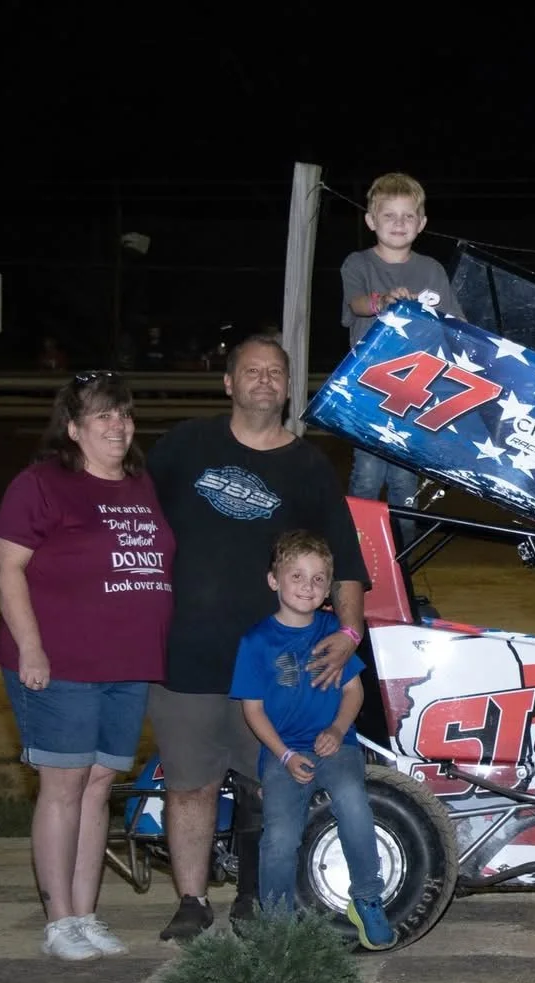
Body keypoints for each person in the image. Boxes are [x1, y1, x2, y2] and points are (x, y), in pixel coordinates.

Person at [147, 335, 371, 940]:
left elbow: (347, 562)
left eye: (276, 372)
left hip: (280, 666)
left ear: (289, 387)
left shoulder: (308, 466)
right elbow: (126, 512)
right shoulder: (184, 446)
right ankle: (192, 901)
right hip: (187, 655)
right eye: (252, 371)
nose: (264, 380)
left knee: (265, 784)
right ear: (228, 383)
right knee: (190, 785)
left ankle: (255, 895)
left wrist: (349, 633)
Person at [0, 373, 175, 960]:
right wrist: (32, 649)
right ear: (73, 427)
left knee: (98, 788)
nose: (117, 426)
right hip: (59, 662)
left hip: (125, 663)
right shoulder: (42, 484)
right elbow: (5, 566)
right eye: (102, 416)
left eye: (124, 415)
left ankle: (87, 914)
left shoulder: (142, 485)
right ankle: (59, 921)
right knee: (63, 785)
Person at [231, 530, 393, 949]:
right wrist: (283, 756)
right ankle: (278, 924)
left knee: (353, 802)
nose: (308, 586)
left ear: (328, 587)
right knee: (280, 835)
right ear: (274, 581)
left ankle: (367, 898)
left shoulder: (333, 632)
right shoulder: (255, 642)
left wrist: (337, 729)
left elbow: (354, 691)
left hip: (337, 745)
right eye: (297, 576)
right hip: (283, 753)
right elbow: (253, 709)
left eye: (319, 579)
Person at [341, 172, 465, 526]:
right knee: (367, 475)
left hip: (414, 392)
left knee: (403, 483)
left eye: (408, 215)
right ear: (371, 220)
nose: (399, 223)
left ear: (422, 223)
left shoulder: (432, 269)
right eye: (389, 215)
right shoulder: (358, 263)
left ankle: (402, 570)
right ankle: (357, 567)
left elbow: (456, 323)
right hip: (366, 389)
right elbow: (357, 305)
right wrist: (385, 302)